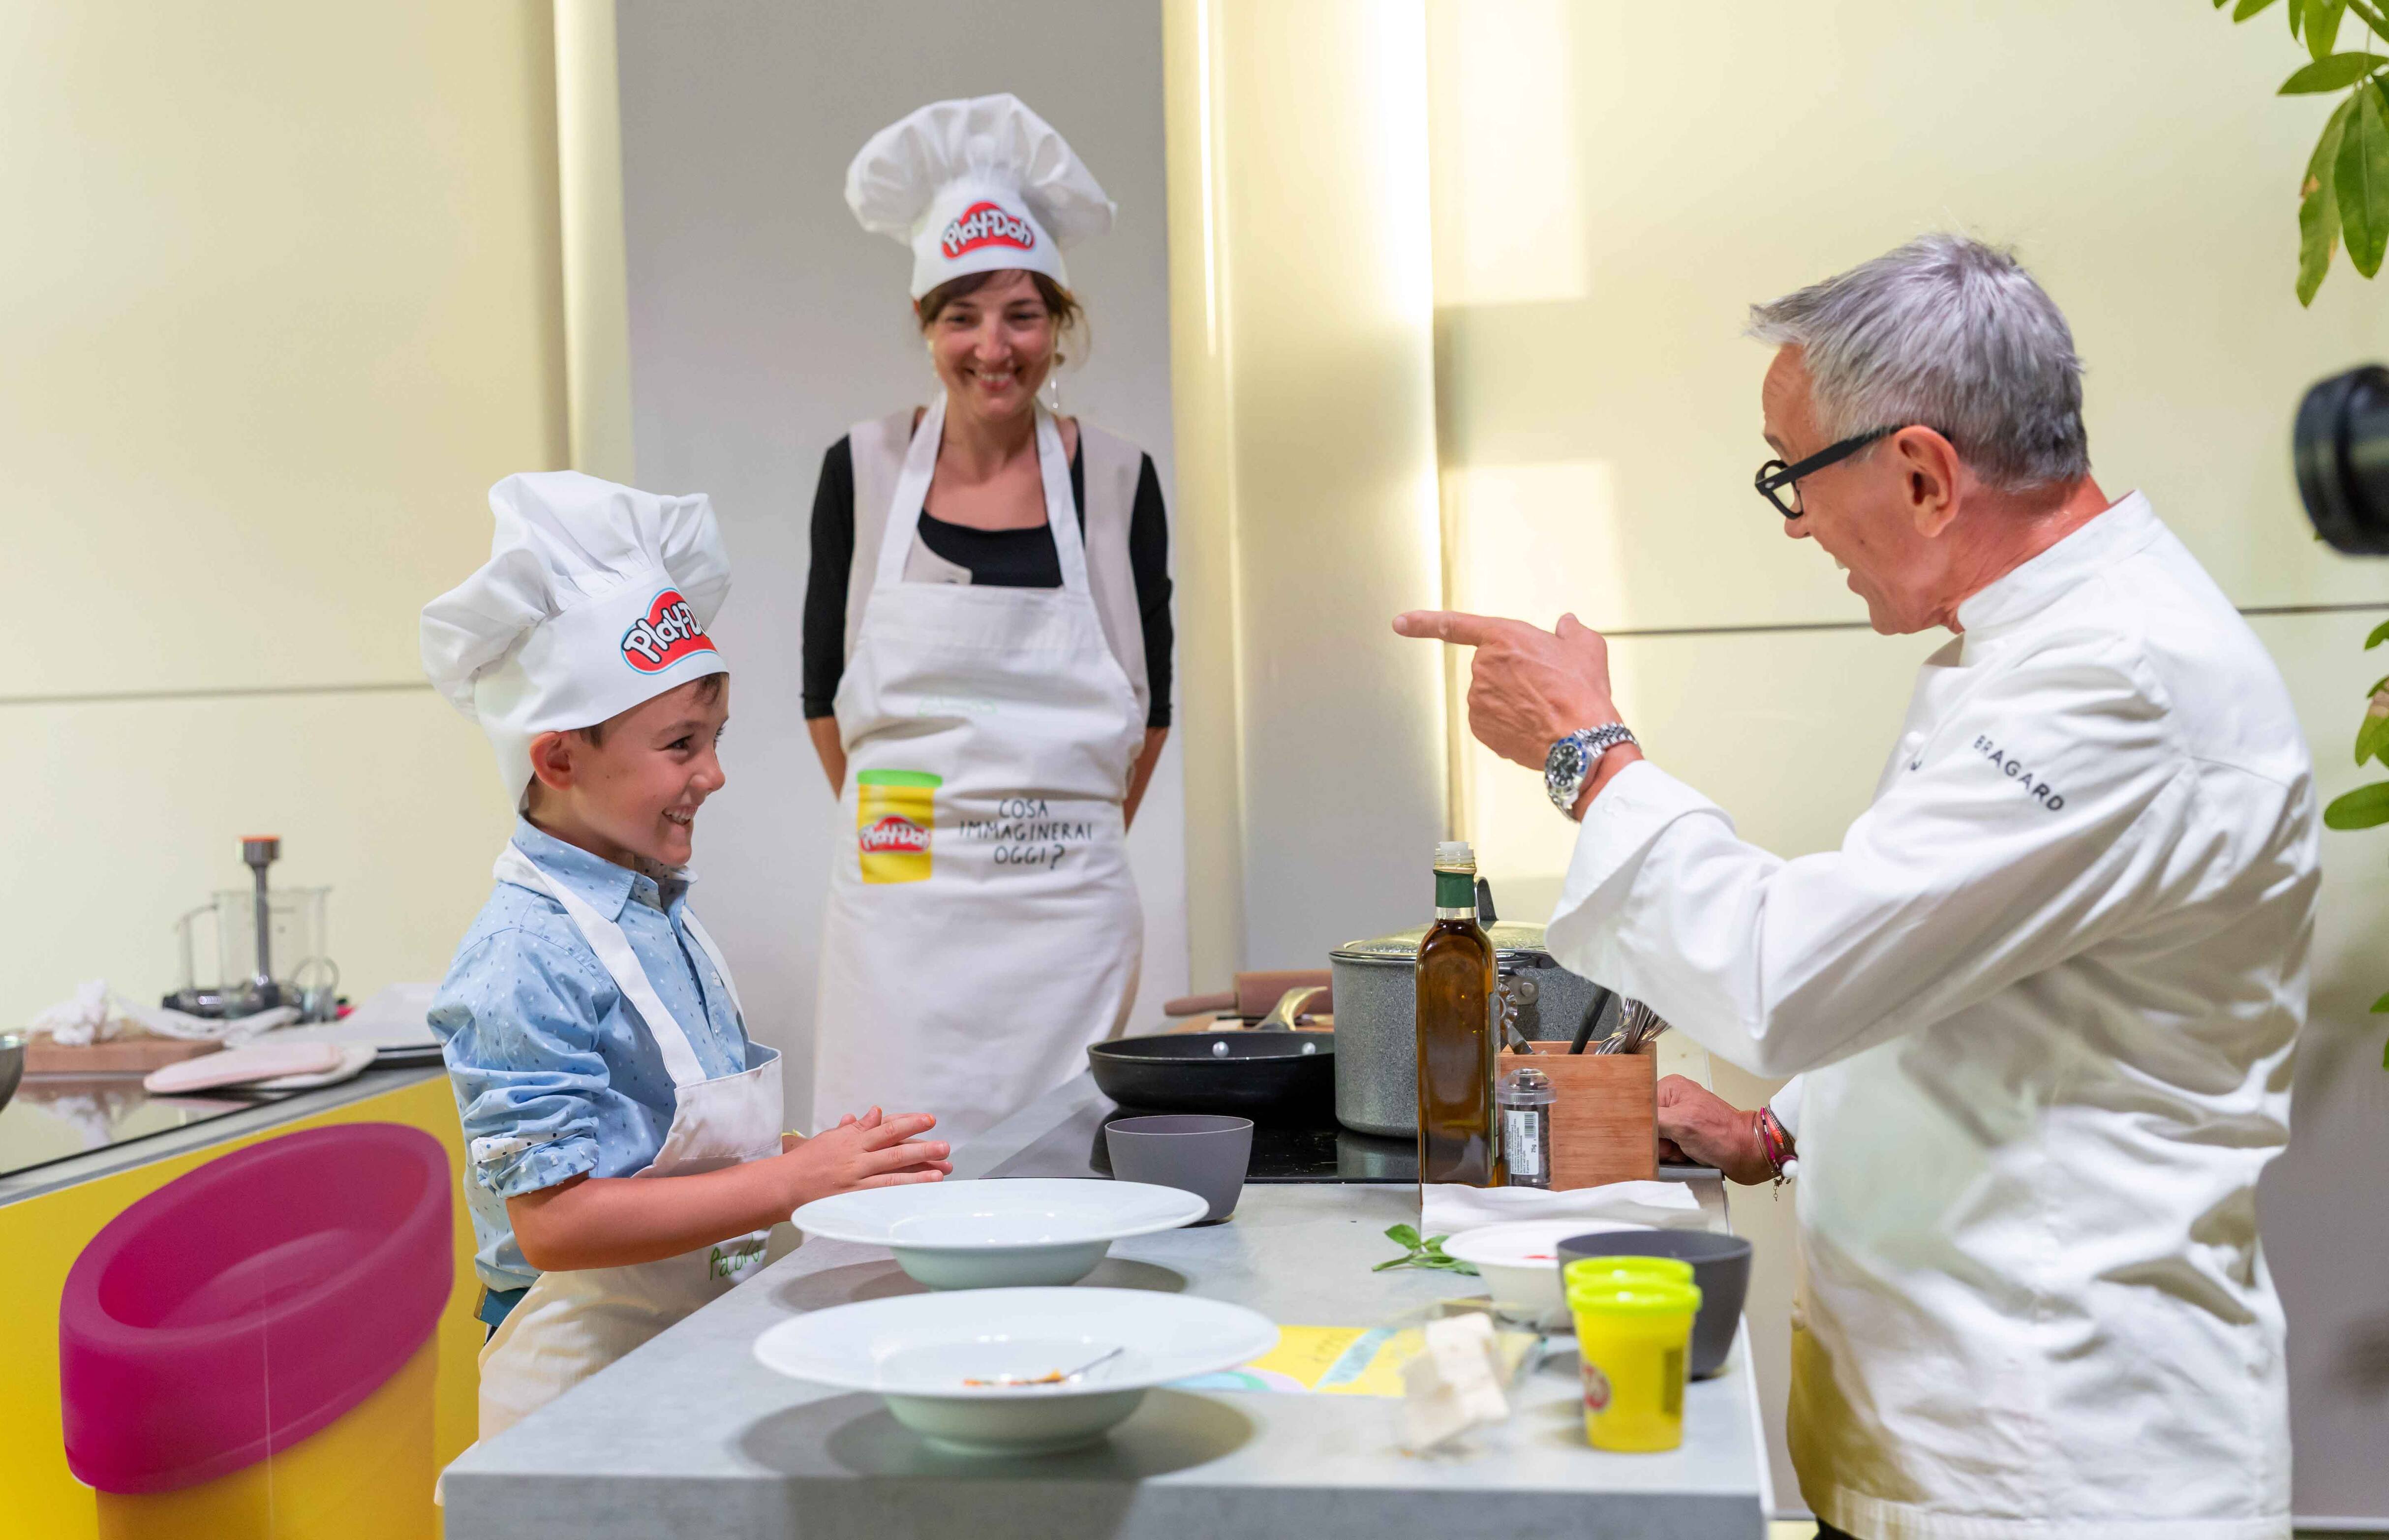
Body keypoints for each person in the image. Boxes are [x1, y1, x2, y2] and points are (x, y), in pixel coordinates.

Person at [1397, 235, 2316, 1540]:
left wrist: (1588, 754)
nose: (1797, 526)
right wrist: (1783, 1132)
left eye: (1794, 478)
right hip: (1955, 1434)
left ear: (1925, 473)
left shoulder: (2116, 681)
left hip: (2065, 1466)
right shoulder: (2036, 651)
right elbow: (1960, 973)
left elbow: (1785, 972)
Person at [421, 471, 949, 1438]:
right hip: (571, 1377)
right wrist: (795, 1181)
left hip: (676, 1343)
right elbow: (556, 1221)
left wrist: (820, 1158)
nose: (711, 772)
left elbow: (653, 1141)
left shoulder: (655, 911)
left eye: (714, 737)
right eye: (679, 743)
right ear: (558, 761)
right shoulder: (523, 954)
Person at [803, 94, 1174, 1144]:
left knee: (1053, 1164)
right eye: (960, 315)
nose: (992, 346)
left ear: (1060, 325)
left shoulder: (1115, 476)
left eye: (1021, 313)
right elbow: (822, 699)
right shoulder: (863, 469)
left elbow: (1150, 711)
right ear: (926, 329)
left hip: (1067, 922)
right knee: (895, 1170)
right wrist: (928, 845)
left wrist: (1057, 840)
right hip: (898, 923)